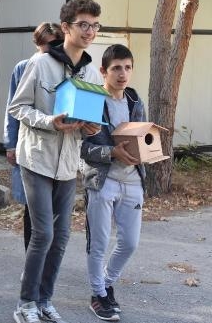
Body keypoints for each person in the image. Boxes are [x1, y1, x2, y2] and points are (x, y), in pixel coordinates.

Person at [9, 0, 104, 323]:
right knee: (43, 234)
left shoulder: (91, 72)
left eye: (95, 25)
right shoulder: (40, 64)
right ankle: (25, 303)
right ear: (66, 27)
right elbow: (18, 107)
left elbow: (90, 120)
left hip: (67, 164)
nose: (90, 31)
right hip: (37, 158)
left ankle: (44, 300)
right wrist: (50, 122)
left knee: (61, 237)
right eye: (83, 24)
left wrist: (91, 127)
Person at [81, 44, 145, 321]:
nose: (123, 74)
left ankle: (106, 284)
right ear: (103, 71)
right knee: (99, 242)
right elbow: (81, 148)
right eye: (116, 68)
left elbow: (142, 137)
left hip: (133, 180)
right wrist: (111, 152)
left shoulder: (135, 100)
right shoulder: (91, 100)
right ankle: (98, 294)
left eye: (127, 68)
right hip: (102, 180)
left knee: (130, 242)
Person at [3, 22, 64, 252]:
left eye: (57, 43)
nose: (53, 49)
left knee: (55, 211)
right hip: (30, 145)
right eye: (49, 44)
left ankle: (47, 259)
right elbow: (13, 108)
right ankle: (32, 257)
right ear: (38, 43)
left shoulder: (65, 66)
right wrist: (10, 144)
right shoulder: (24, 67)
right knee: (32, 208)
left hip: (57, 147)